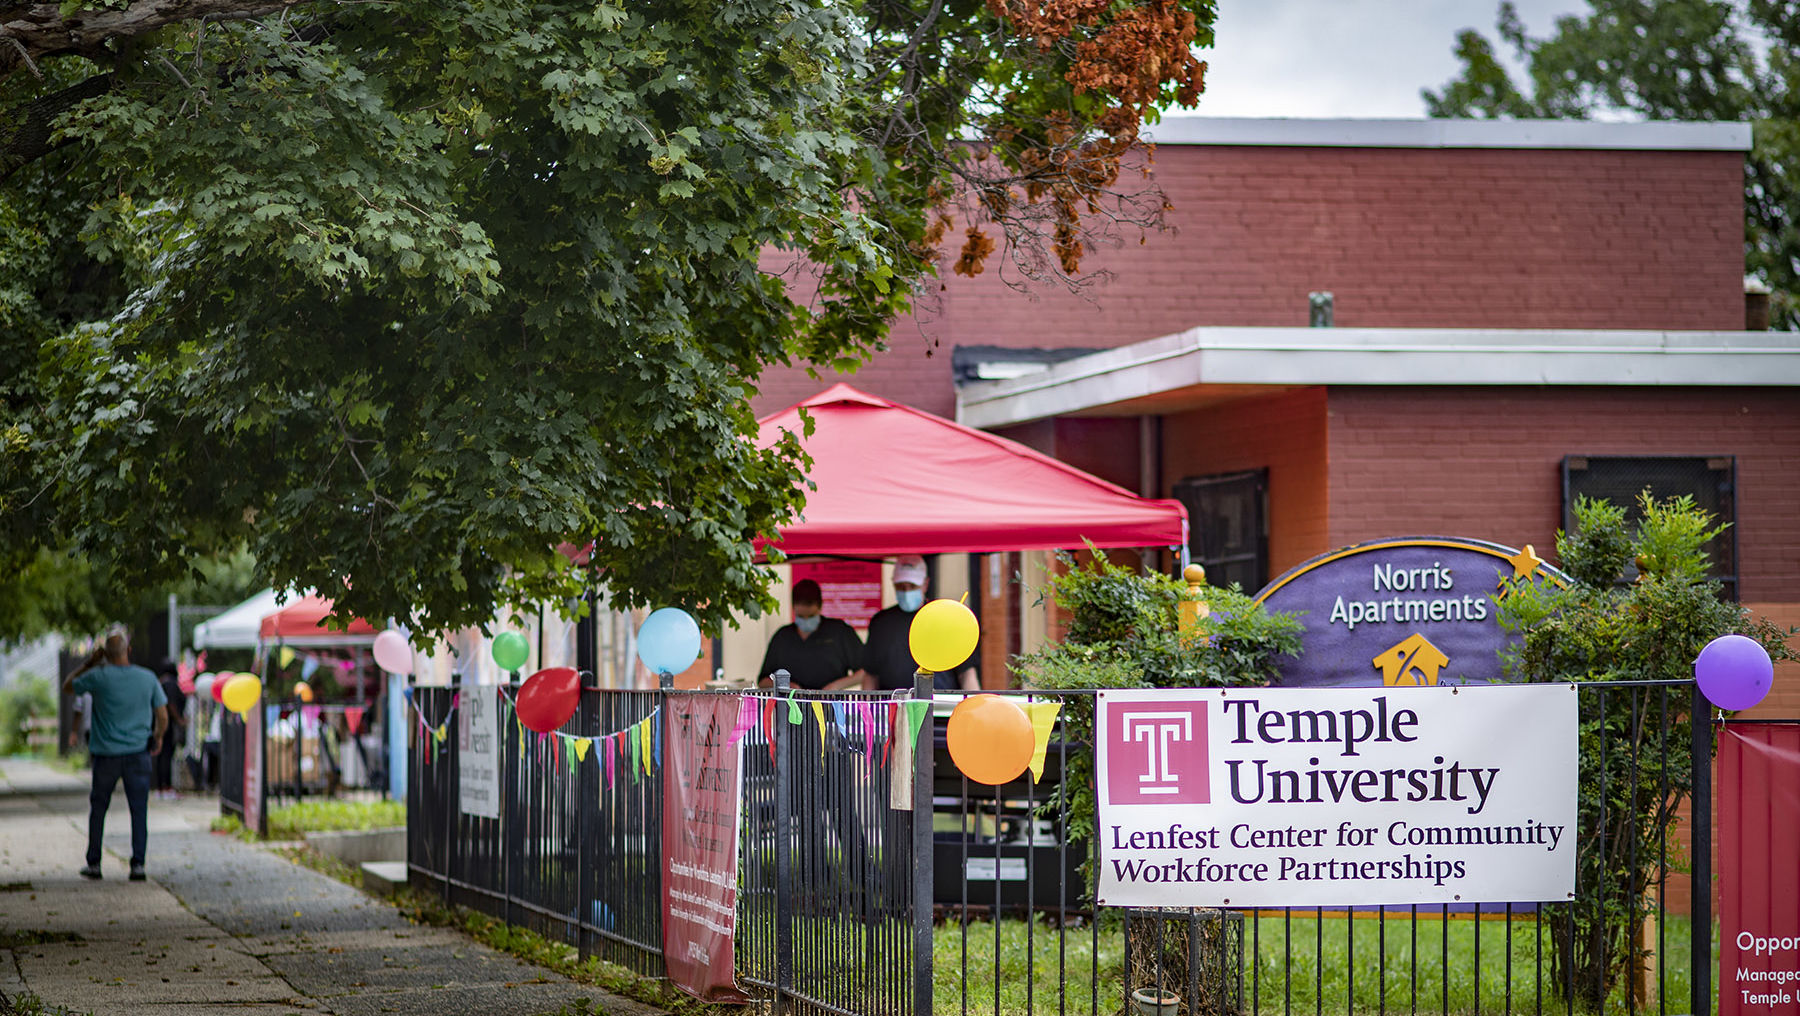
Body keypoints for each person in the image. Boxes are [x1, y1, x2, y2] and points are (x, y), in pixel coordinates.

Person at [64, 633, 168, 881]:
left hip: (105, 756)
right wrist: (158, 736)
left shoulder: (98, 677)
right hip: (137, 754)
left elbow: (68, 687)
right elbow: (162, 715)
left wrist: (89, 663)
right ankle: (138, 865)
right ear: (128, 650)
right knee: (138, 809)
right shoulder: (147, 678)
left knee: (98, 809)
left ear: (106, 655)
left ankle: (94, 863)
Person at [860, 555, 978, 691]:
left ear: (926, 584)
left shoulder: (944, 616)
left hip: (939, 704)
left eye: (912, 586)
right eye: (901, 586)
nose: (906, 591)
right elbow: (870, 675)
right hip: (892, 705)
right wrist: (868, 710)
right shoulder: (881, 623)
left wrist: (973, 705)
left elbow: (967, 673)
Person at [757, 579, 863, 690]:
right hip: (792, 704)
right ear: (793, 609)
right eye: (801, 616)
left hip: (831, 703)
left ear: (820, 607)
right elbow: (763, 681)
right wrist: (789, 687)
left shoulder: (840, 632)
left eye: (811, 616)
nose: (806, 621)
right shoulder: (782, 637)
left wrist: (835, 686)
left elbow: (865, 671)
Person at [153, 660, 187, 799]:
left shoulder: (159, 683)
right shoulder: (171, 684)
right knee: (166, 755)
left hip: (158, 724)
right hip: (167, 724)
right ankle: (166, 787)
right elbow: (171, 703)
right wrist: (179, 719)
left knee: (161, 756)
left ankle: (161, 786)